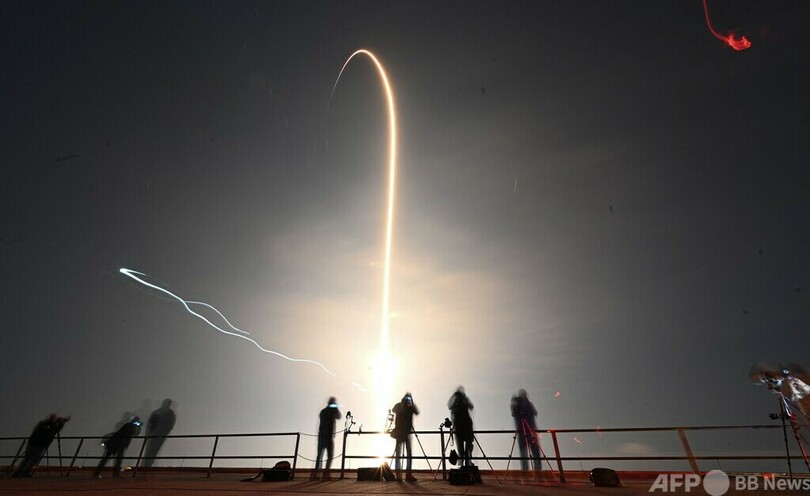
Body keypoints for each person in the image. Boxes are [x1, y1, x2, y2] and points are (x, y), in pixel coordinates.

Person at [13, 413, 70, 477]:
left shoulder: (46, 424)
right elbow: (53, 429)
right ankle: (21, 472)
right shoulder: (46, 424)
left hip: (38, 444)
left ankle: (24, 472)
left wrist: (62, 422)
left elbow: (57, 429)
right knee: (30, 459)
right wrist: (60, 421)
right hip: (37, 444)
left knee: (32, 459)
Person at [391, 392, 419, 482]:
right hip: (399, 432)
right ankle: (398, 474)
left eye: (409, 399)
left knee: (408, 454)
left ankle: (408, 474)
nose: (407, 400)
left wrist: (411, 404)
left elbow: (417, 412)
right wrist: (402, 405)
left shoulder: (410, 407)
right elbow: (393, 409)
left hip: (407, 432)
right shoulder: (399, 405)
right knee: (399, 453)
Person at [510, 389, 541, 471]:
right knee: (531, 452)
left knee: (528, 452)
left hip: (526, 431)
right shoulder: (520, 406)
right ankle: (534, 470)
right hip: (528, 431)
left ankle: (528, 470)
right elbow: (514, 414)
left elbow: (534, 412)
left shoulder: (526, 405)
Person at [312, 396, 341, 480]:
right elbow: (339, 416)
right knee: (329, 456)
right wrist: (335, 408)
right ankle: (325, 474)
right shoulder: (330, 412)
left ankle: (315, 474)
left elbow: (338, 417)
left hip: (322, 436)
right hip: (328, 436)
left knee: (319, 456)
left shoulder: (323, 411)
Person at [143, 399, 177, 468]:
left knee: (152, 451)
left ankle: (146, 466)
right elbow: (151, 423)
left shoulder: (160, 412)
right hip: (156, 435)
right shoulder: (168, 413)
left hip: (157, 435)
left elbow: (150, 423)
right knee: (150, 451)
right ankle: (146, 466)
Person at [447, 386, 474, 466]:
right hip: (460, 427)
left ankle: (466, 463)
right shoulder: (455, 400)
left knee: (467, 446)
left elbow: (471, 406)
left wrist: (464, 401)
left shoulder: (464, 399)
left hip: (464, 426)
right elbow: (449, 406)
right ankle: (463, 463)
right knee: (461, 448)